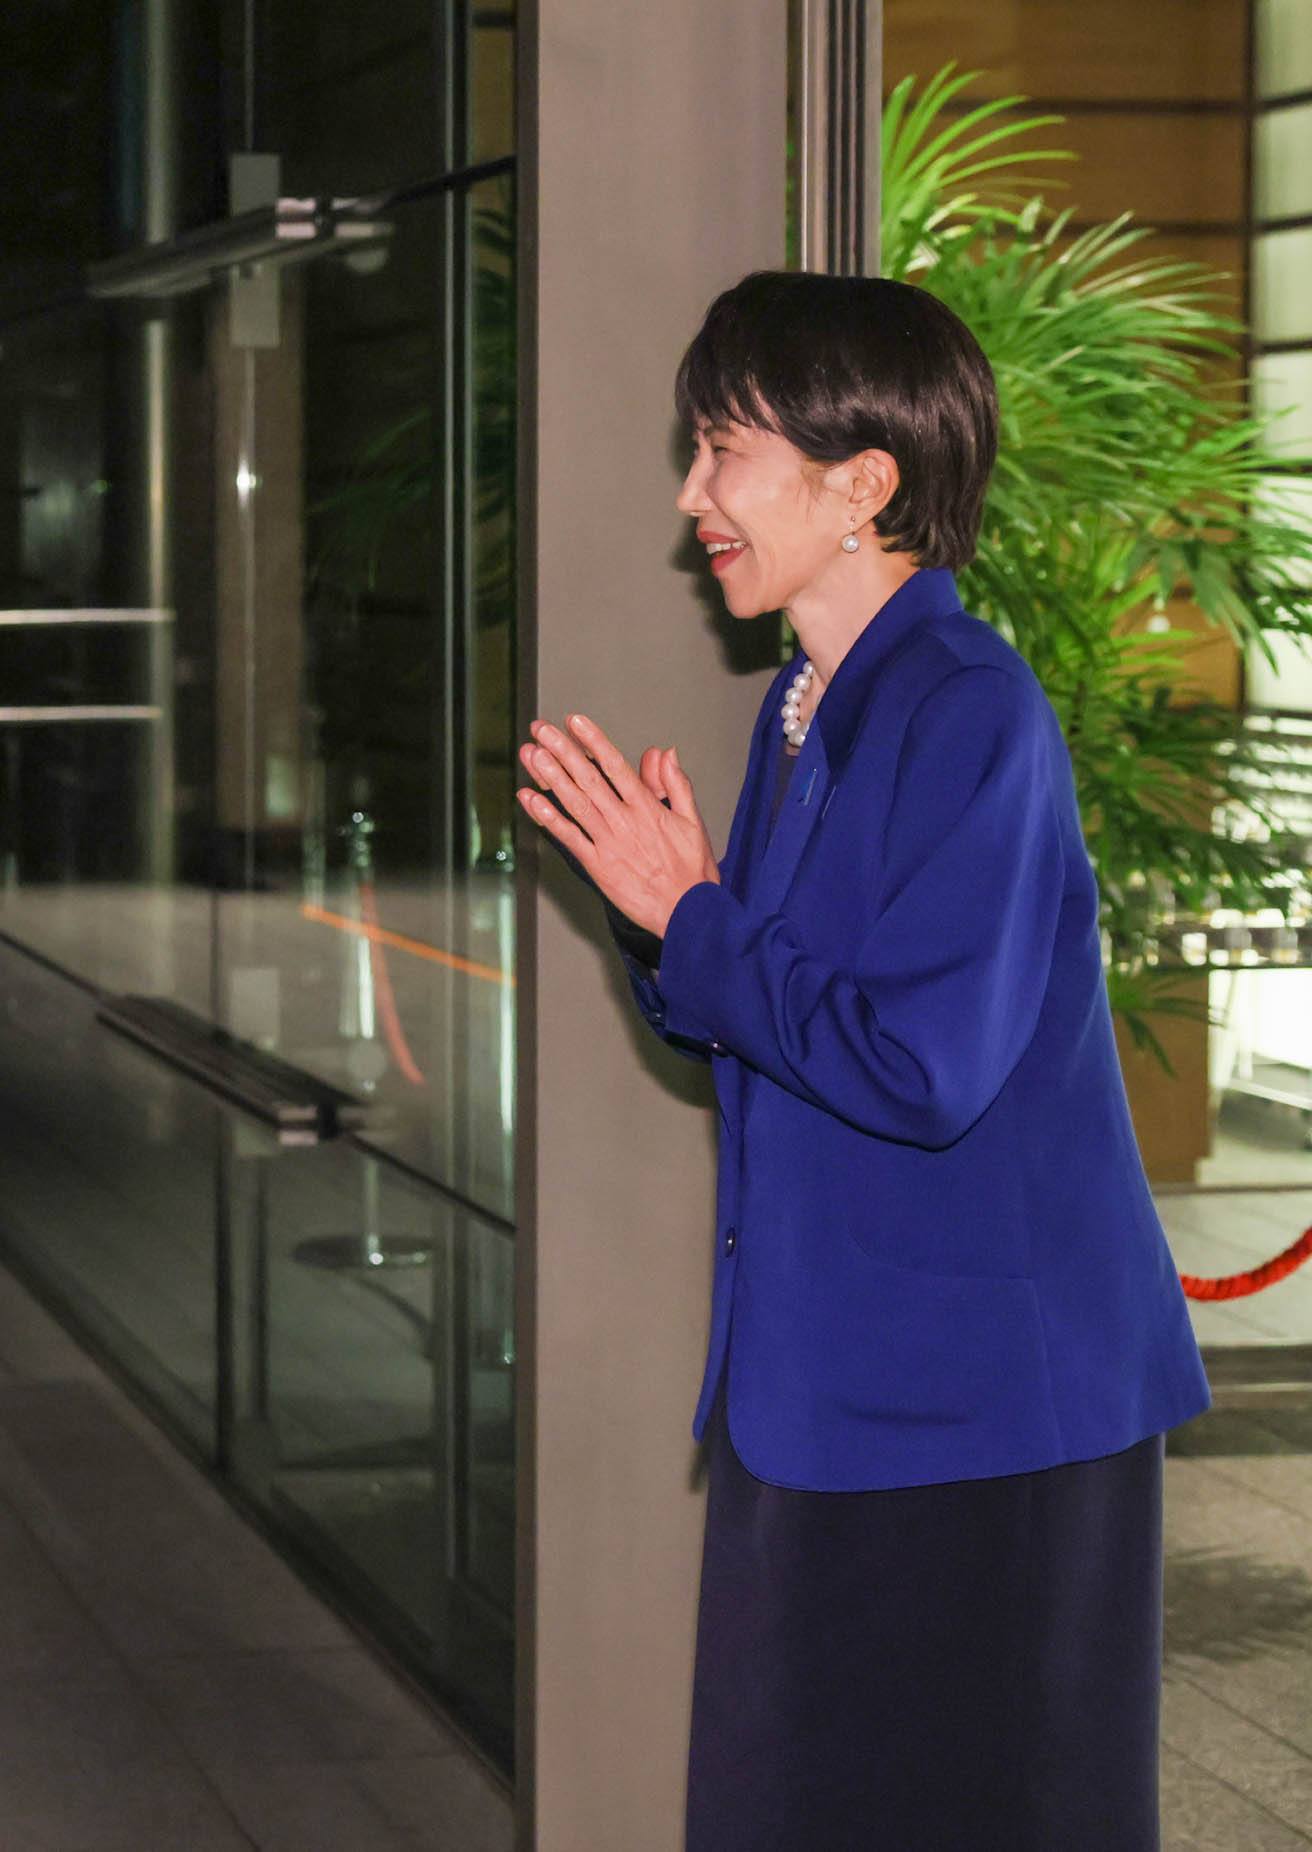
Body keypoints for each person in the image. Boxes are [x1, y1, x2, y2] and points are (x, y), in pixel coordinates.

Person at [518, 270, 1209, 1852]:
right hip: (838, 1385)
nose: (692, 494)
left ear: (861, 485)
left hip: (981, 1415)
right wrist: (667, 927)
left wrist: (692, 918)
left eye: (726, 450)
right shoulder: (806, 704)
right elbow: (779, 1020)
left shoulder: (971, 710)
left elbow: (918, 1066)